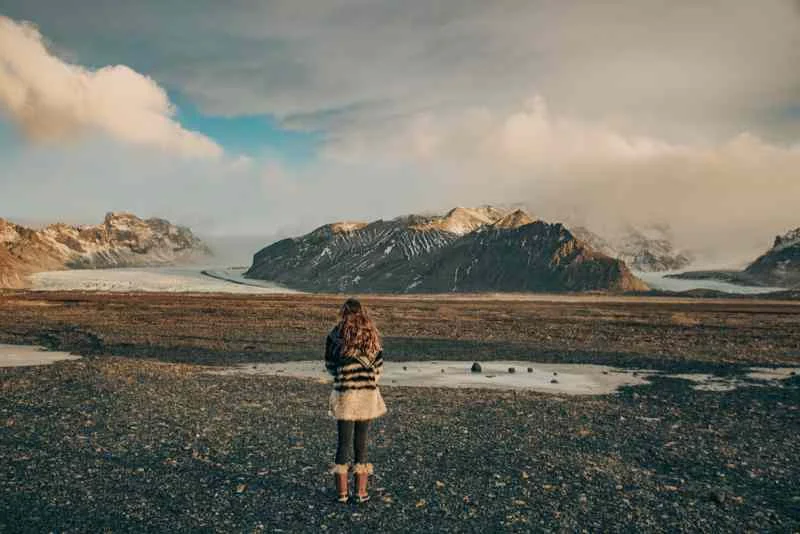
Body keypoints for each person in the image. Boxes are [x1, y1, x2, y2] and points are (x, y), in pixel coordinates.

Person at [325, 298, 387, 503]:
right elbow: (378, 368)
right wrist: (367, 381)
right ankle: (361, 493)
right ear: (362, 312)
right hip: (367, 394)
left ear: (343, 312)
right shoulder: (373, 336)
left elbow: (330, 365)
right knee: (361, 443)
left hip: (346, 394)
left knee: (343, 443)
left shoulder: (335, 336)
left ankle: (342, 493)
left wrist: (344, 378)